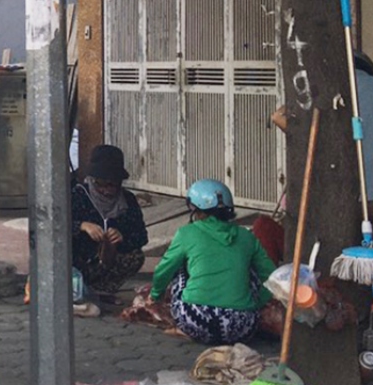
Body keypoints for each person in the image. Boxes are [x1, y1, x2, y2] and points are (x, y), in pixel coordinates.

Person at [272, 51, 373, 365]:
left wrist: (290, 128)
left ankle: (342, 339)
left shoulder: (324, 95)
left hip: (339, 198)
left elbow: (282, 118)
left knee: (343, 268)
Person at [148, 179, 276, 346]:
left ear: (198, 211)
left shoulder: (187, 233)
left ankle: (184, 330)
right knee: (250, 269)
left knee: (179, 266)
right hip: (243, 326)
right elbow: (271, 276)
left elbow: (164, 270)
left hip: (195, 321)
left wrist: (155, 296)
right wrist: (257, 303)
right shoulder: (247, 237)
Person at [71, 145, 148, 302]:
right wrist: (82, 226)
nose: (106, 190)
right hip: (80, 261)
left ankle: (102, 291)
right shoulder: (77, 195)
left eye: (112, 185)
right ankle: (77, 290)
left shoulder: (128, 200)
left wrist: (122, 237)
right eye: (100, 184)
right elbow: (56, 228)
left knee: (136, 256)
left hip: (109, 263)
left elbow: (141, 237)